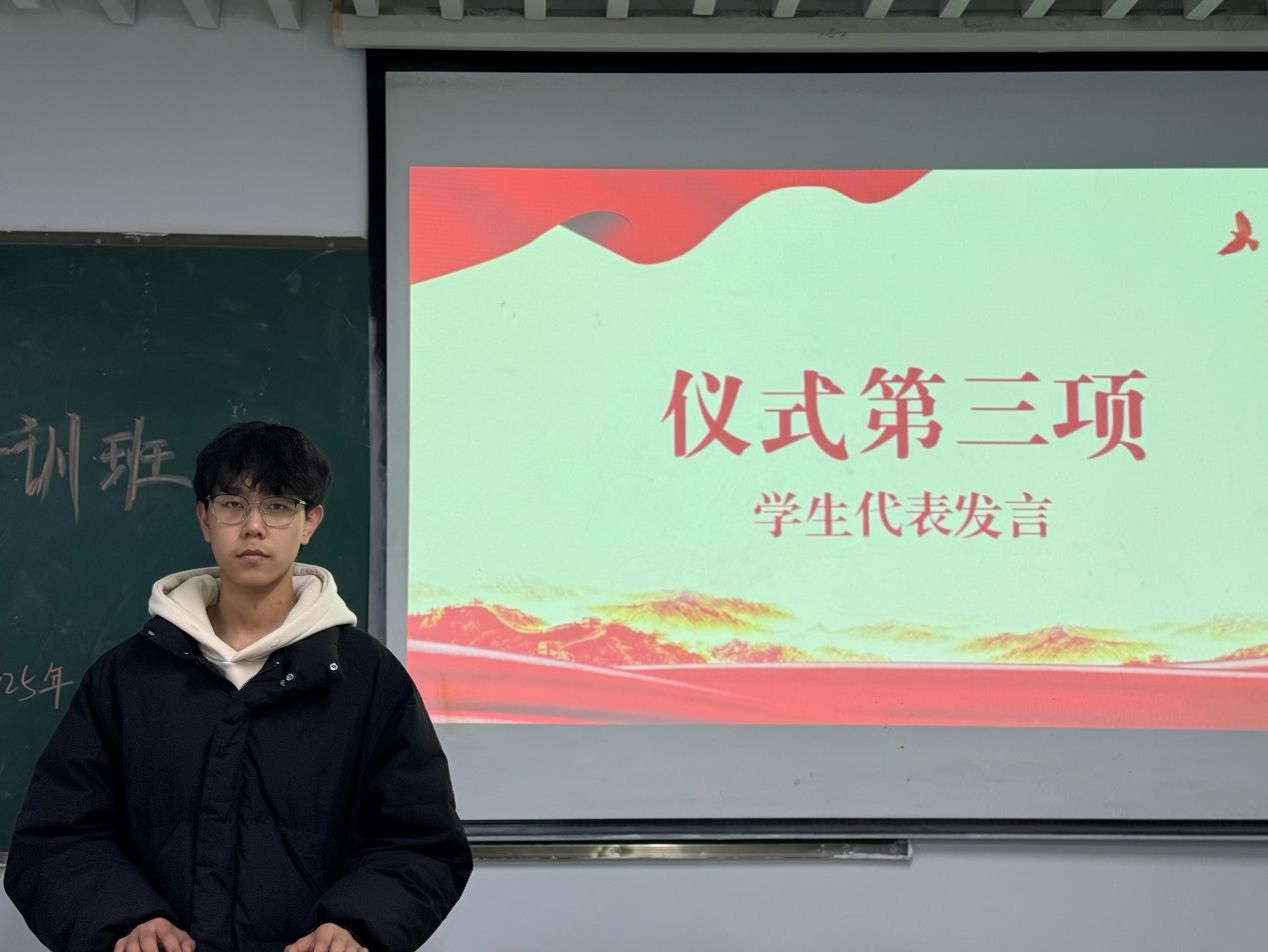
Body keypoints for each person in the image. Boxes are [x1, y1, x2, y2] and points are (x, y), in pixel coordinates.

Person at [4, 422, 471, 952]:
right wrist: (126, 921)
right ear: (205, 519)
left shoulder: (368, 680)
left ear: (310, 522)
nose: (253, 526)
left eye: (278, 506)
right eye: (232, 504)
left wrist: (355, 925)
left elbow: (420, 842)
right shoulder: (127, 678)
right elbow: (56, 837)